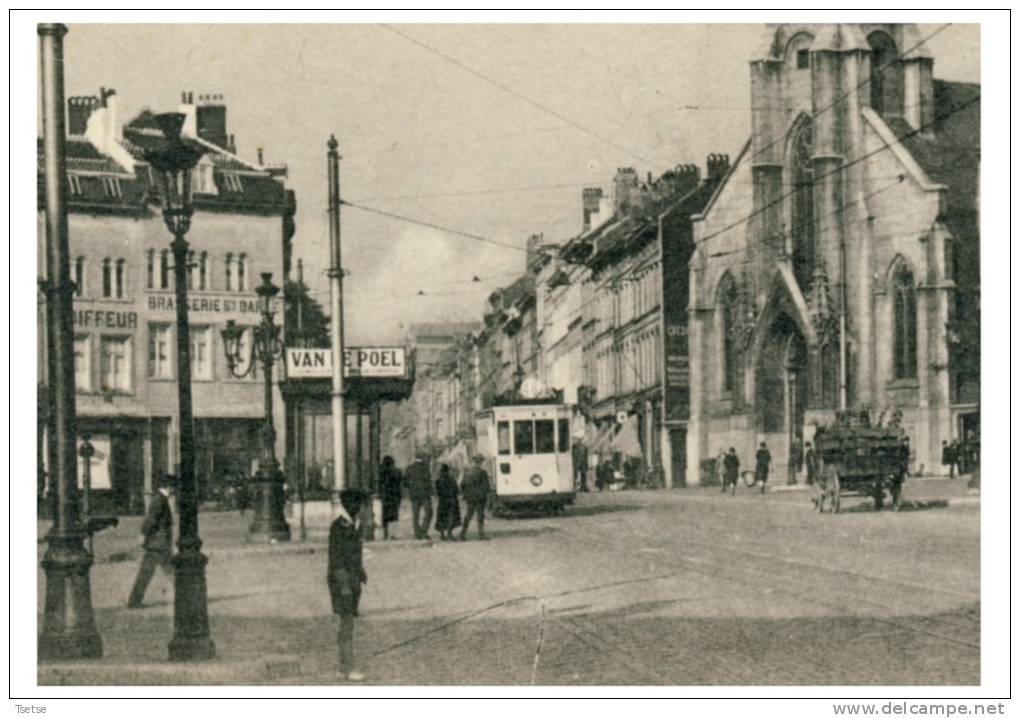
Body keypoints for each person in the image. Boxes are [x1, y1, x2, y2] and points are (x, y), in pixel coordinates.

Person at [327, 489, 368, 682]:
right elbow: (337, 560)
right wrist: (344, 585)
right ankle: (348, 667)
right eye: (358, 505)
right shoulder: (340, 527)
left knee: (347, 623)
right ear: (351, 505)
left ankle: (343, 665)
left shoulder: (351, 524)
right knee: (346, 624)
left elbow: (354, 554)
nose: (360, 509)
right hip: (343, 581)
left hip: (351, 579)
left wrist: (361, 572)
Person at [127, 474, 175, 609]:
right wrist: (143, 534)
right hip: (158, 544)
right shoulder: (159, 500)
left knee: (167, 570)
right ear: (169, 486)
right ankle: (134, 600)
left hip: (159, 543)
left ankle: (134, 600)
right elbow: (151, 520)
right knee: (149, 572)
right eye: (174, 488)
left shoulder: (160, 499)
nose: (174, 491)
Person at [460, 454, 490, 541]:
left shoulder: (467, 472)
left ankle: (462, 533)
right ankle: (480, 535)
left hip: (470, 497)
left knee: (468, 515)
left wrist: (466, 493)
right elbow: (486, 487)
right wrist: (485, 495)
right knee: (480, 516)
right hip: (480, 498)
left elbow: (462, 484)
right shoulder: (482, 473)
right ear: (480, 462)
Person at [404, 453, 434, 540]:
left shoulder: (410, 468)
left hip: (414, 495)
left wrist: (411, 487)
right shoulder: (425, 468)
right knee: (429, 512)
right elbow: (428, 481)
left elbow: (405, 481)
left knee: (415, 515)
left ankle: (417, 533)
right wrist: (432, 493)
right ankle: (423, 531)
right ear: (422, 457)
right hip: (425, 494)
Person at [433, 463, 461, 541]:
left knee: (441, 517)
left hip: (442, 501)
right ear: (447, 471)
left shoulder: (438, 481)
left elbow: (437, 492)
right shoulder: (451, 480)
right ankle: (449, 534)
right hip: (451, 501)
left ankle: (442, 535)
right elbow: (456, 490)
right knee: (450, 517)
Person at [378, 456, 402, 540]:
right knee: (394, 515)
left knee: (385, 515)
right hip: (394, 496)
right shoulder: (396, 472)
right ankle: (392, 534)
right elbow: (399, 483)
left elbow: (379, 483)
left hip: (385, 496)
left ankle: (385, 533)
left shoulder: (380, 471)